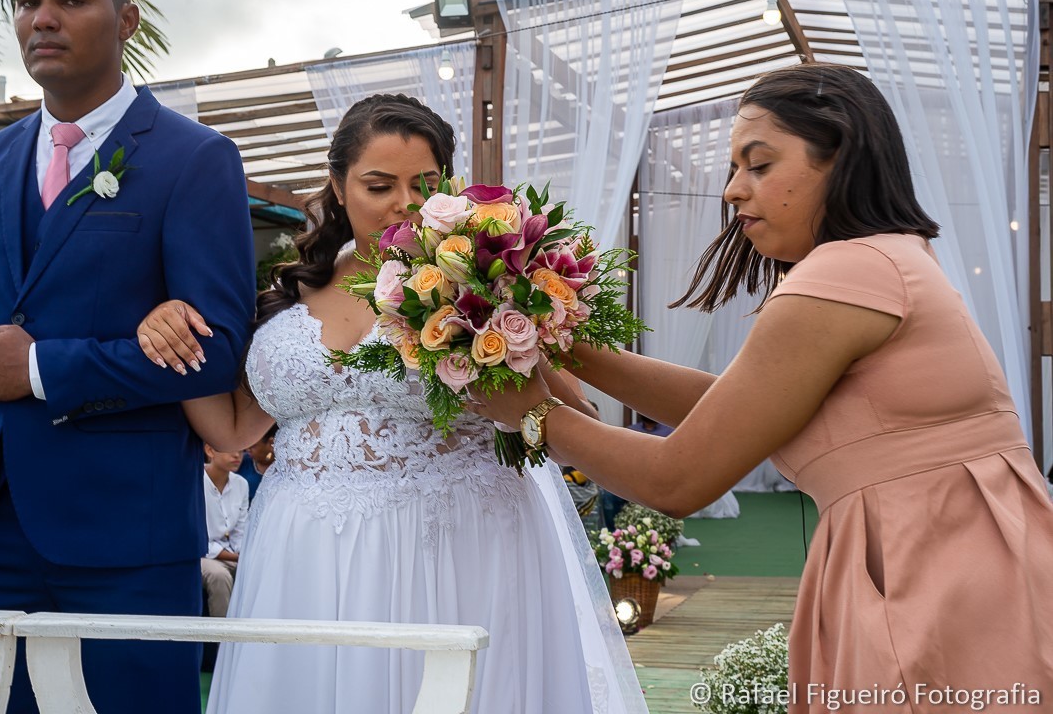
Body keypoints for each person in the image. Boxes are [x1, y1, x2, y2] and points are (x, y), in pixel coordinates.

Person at [472, 63, 1053, 711]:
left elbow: (678, 478)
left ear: (841, 156)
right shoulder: (887, 256)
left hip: (934, 572)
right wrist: (567, 347)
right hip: (967, 558)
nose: (731, 191)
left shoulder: (843, 273)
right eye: (732, 169)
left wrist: (535, 416)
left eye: (759, 165)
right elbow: (729, 406)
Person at [137, 93, 646, 714]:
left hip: (455, 545)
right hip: (303, 552)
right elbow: (236, 427)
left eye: (423, 184)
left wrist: (509, 354)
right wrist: (170, 329)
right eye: (379, 185)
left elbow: (575, 419)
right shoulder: (288, 289)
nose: (403, 204)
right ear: (337, 185)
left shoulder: (482, 286)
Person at [0, 0, 256, 713]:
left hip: (123, 537)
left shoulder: (193, 159)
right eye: (28, 1)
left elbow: (219, 353)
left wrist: (41, 368)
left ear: (124, 20)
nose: (42, 18)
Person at [201, 444, 249, 618]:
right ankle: (221, 640)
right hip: (199, 554)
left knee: (255, 570)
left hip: (230, 552)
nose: (237, 454)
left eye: (242, 449)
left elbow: (240, 530)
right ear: (210, 451)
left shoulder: (241, 484)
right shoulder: (194, 481)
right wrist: (237, 557)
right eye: (230, 448)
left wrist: (243, 553)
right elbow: (195, 536)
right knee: (219, 576)